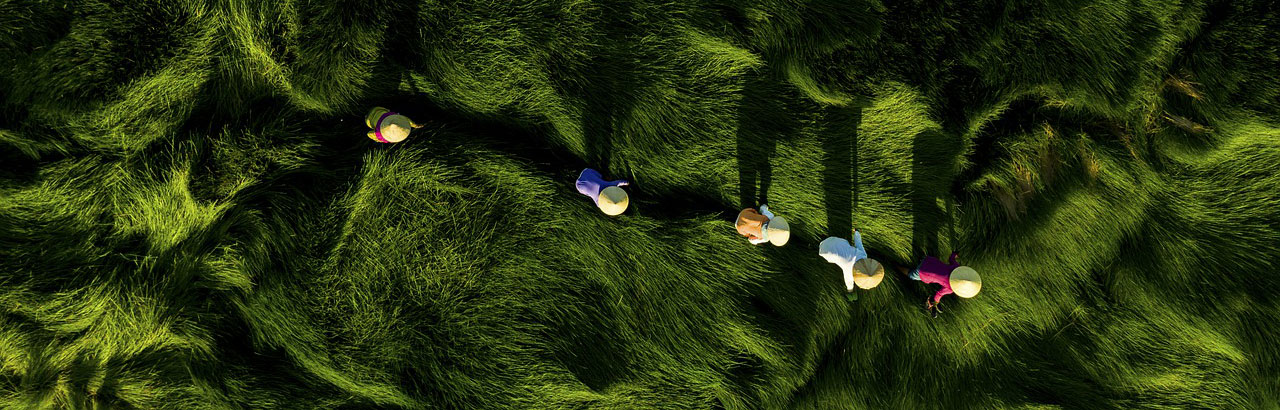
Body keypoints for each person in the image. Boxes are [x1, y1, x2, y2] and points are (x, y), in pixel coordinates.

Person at [902, 252, 982, 317]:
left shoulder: (956, 267)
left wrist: (955, 254)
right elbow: (939, 294)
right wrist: (935, 303)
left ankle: (920, 259)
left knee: (924, 261)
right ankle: (895, 266)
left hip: (930, 260)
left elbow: (951, 259)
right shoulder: (950, 288)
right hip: (924, 272)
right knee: (911, 275)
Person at [819, 230, 884, 301]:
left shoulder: (863, 255)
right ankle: (820, 242)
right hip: (824, 251)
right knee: (833, 258)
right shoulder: (849, 270)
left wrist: (857, 233)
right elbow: (849, 282)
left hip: (836, 241)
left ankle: (826, 239)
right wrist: (850, 291)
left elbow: (858, 242)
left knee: (844, 244)